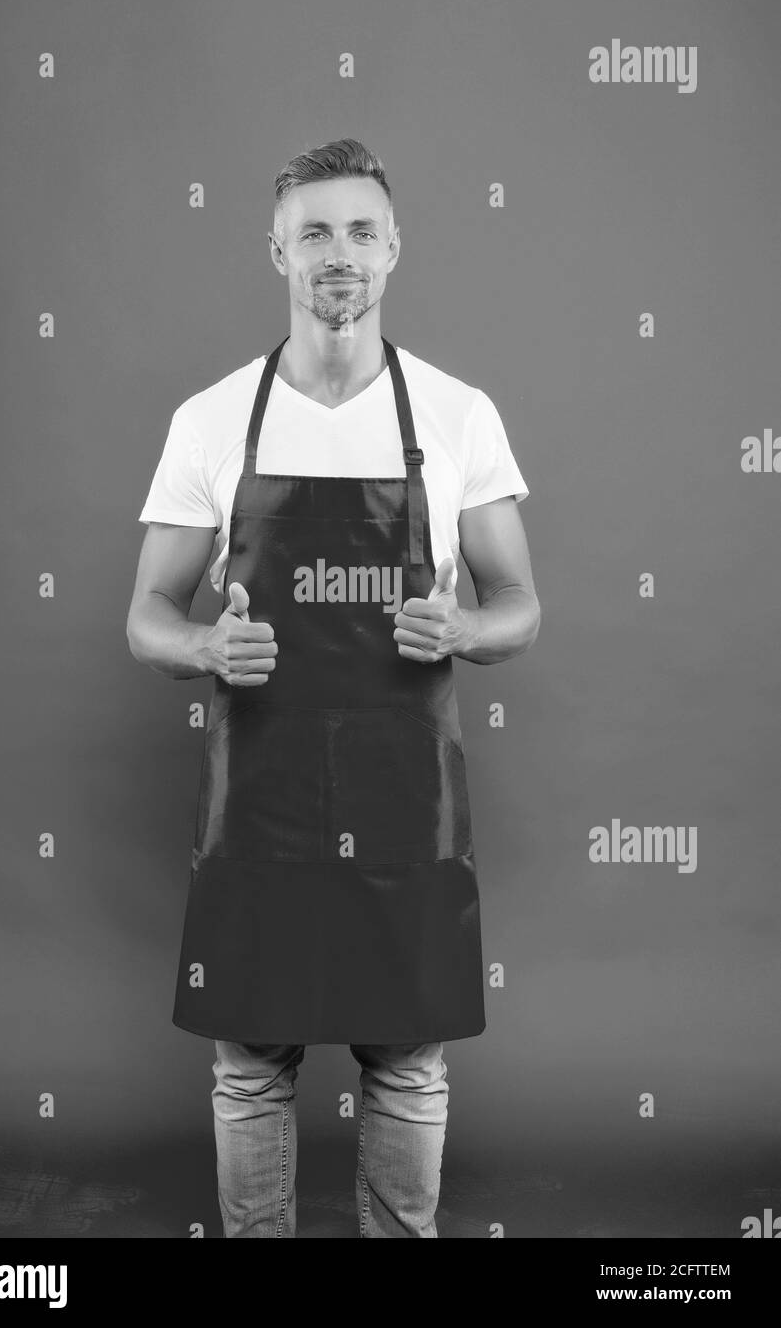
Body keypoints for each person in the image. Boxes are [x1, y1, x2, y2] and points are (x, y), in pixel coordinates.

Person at [126, 137, 540, 1238]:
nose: (338, 254)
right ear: (277, 251)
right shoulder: (212, 421)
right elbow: (147, 617)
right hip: (256, 802)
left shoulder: (457, 416)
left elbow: (519, 604)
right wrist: (206, 648)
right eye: (314, 232)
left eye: (361, 231)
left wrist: (464, 623)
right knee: (249, 1066)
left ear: (394, 249)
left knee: (407, 1065)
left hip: (406, 800)